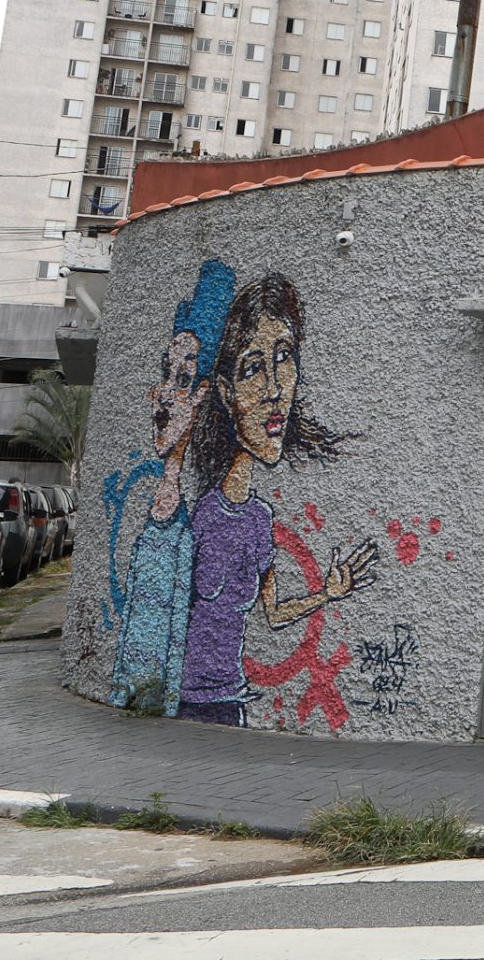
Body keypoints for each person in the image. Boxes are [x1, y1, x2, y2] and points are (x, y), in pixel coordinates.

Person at [175, 272, 379, 726]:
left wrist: (328, 593)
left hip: (232, 702)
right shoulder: (200, 517)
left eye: (284, 358)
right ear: (225, 393)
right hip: (185, 702)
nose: (274, 389)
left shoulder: (258, 519)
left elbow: (274, 614)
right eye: (252, 368)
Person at [107, 259, 230, 712]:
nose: (161, 394)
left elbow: (184, 625)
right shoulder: (145, 499)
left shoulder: (196, 520)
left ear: (201, 396)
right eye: (165, 373)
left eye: (182, 380)